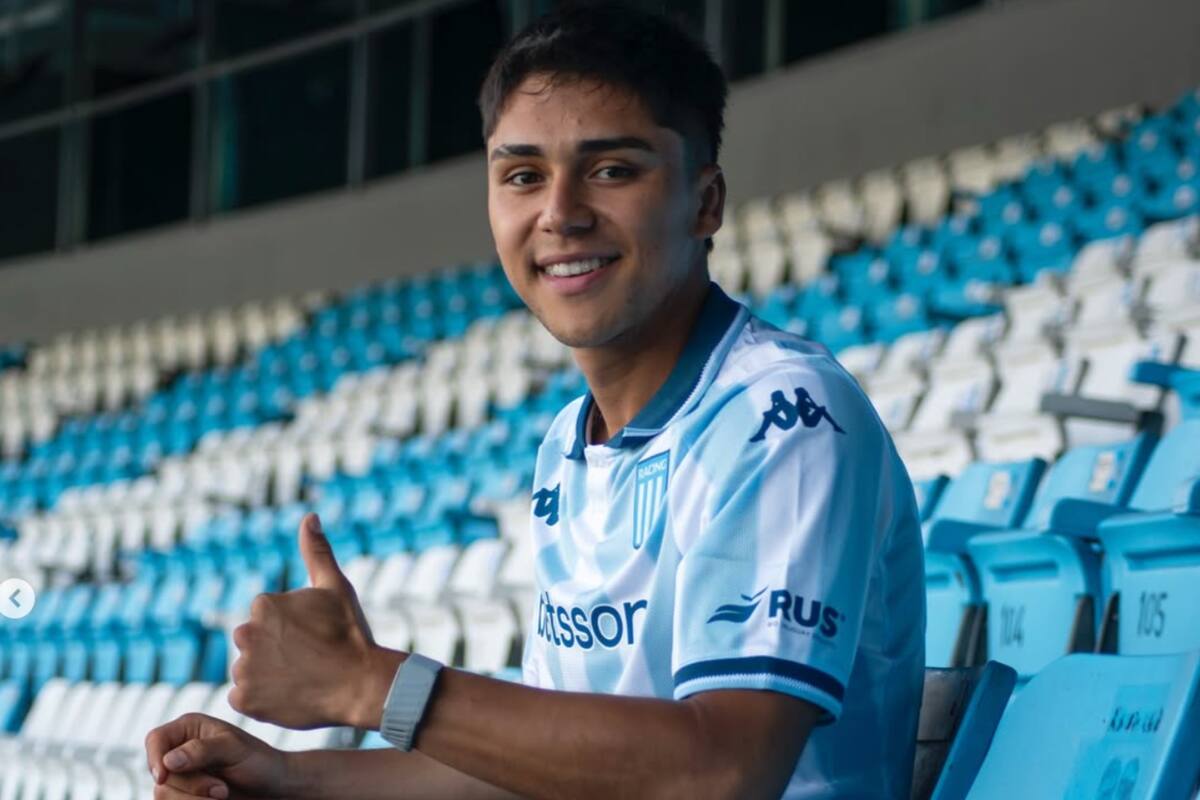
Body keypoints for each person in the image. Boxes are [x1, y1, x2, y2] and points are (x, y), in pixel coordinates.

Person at [144, 4, 925, 798]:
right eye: (523, 176)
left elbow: (720, 772)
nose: (560, 213)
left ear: (706, 202)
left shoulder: (783, 415)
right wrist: (287, 777)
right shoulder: (568, 444)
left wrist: (374, 686)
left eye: (612, 169)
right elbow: (550, 771)